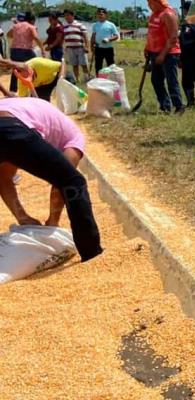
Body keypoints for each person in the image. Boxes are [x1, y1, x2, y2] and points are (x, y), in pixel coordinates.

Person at [0, 96, 102, 262]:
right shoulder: (74, 137)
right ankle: (91, 252)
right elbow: (62, 182)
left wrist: (23, 217)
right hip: (12, 125)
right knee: (74, 182)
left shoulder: (30, 108)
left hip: (10, 121)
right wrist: (53, 221)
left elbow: (4, 177)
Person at [146, 0, 185, 114]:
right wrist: (147, 48)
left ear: (158, 2)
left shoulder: (168, 14)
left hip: (169, 53)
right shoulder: (154, 15)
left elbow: (173, 37)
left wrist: (163, 54)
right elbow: (151, 33)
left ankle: (178, 106)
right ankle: (165, 106)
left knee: (171, 81)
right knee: (156, 80)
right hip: (154, 52)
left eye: (151, 3)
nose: (149, 6)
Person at [7, 12, 43, 93]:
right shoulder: (31, 26)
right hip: (26, 51)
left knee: (15, 69)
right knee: (34, 66)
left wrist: (17, 35)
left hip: (14, 51)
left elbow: (8, 35)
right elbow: (36, 37)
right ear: (32, 20)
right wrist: (42, 49)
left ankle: (12, 91)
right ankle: (34, 88)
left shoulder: (16, 26)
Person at [0, 56, 64, 101]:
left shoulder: (40, 64)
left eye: (27, 73)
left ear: (29, 69)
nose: (26, 77)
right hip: (41, 86)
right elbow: (24, 99)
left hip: (54, 78)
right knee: (42, 104)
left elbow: (62, 64)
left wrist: (61, 80)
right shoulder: (22, 81)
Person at [62, 9, 90, 83]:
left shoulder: (80, 25)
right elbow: (63, 38)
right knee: (74, 65)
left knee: (84, 64)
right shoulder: (64, 26)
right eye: (65, 16)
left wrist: (87, 46)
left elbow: (85, 37)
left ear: (72, 16)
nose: (66, 17)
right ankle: (77, 79)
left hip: (80, 48)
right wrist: (64, 47)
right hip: (70, 49)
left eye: (68, 15)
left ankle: (86, 78)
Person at [91, 8, 120, 77]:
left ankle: (112, 78)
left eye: (101, 14)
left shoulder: (111, 24)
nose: (100, 16)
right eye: (98, 14)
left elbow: (116, 36)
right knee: (98, 66)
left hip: (108, 49)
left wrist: (108, 39)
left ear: (105, 15)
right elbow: (93, 36)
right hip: (98, 48)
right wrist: (91, 45)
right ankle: (99, 79)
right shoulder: (95, 25)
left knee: (111, 65)